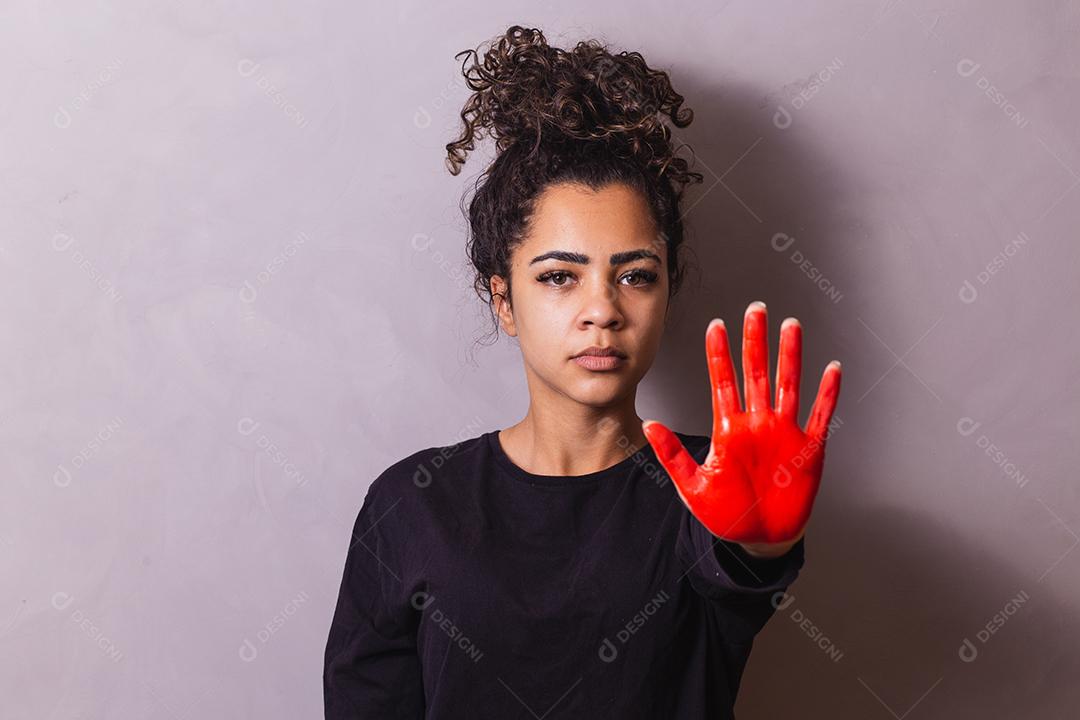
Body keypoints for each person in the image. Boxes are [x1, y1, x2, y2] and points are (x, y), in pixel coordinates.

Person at [323, 25, 842, 719]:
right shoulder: (411, 507)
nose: (602, 310)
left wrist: (757, 542)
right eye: (560, 277)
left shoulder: (712, 487)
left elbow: (739, 578)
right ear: (502, 299)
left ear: (667, 291)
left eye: (635, 275)